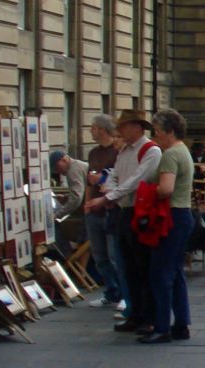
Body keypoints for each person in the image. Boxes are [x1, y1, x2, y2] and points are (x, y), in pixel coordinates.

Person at [85, 110, 162, 334]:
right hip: (123, 211)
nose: (120, 131)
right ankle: (135, 313)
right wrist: (109, 190)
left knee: (143, 266)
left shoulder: (151, 150)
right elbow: (116, 176)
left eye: (124, 126)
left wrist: (108, 196)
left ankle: (149, 316)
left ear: (137, 127)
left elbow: (137, 180)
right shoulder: (125, 150)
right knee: (128, 266)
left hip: (141, 211)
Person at [138, 109, 195, 344]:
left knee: (160, 273)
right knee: (176, 272)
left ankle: (162, 326)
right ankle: (181, 324)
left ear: (169, 131)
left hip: (172, 216)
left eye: (158, 132)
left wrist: (147, 189)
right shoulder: (183, 150)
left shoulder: (171, 154)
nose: (155, 137)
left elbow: (166, 188)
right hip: (183, 216)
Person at [83, 114, 124, 310]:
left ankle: (124, 293)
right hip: (93, 211)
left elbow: (111, 179)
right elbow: (89, 181)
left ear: (102, 130)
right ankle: (111, 291)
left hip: (110, 210)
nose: (91, 130)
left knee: (114, 255)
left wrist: (100, 179)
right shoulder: (93, 153)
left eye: (93, 127)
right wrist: (86, 203)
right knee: (99, 257)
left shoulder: (117, 153)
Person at [50, 151, 88, 256]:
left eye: (57, 167)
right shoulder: (78, 165)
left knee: (83, 243)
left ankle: (70, 260)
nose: (58, 171)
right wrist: (66, 197)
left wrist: (58, 215)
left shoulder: (73, 170)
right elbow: (81, 191)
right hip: (92, 208)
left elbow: (76, 198)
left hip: (92, 210)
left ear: (64, 160)